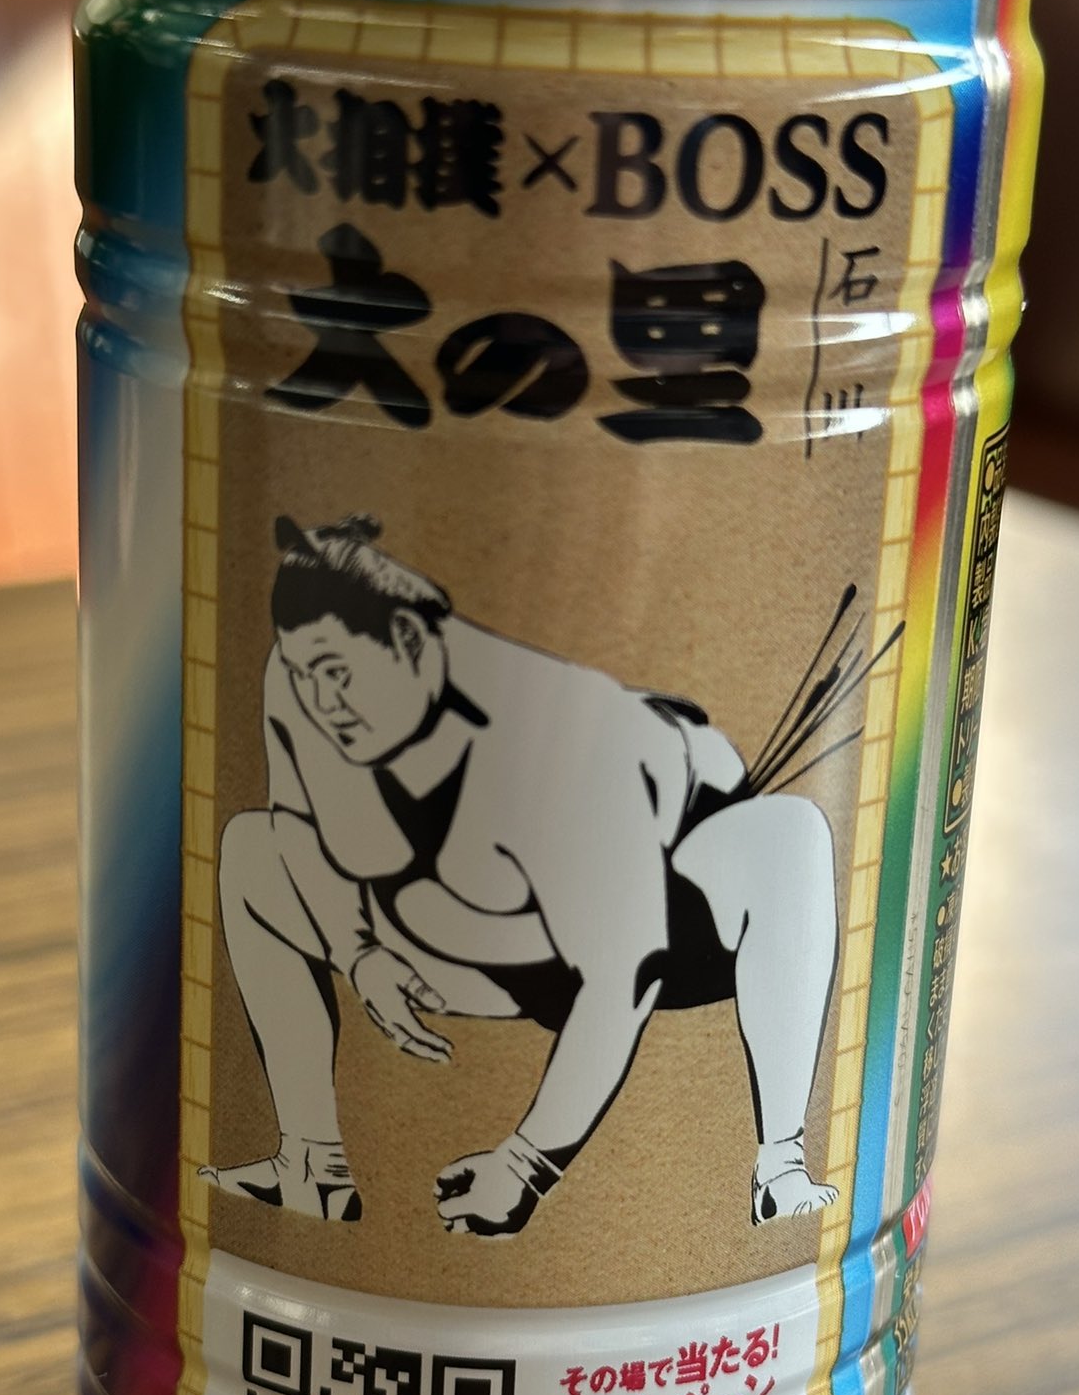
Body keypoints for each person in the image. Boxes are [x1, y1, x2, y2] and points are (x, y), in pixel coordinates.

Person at [201, 514, 841, 1237]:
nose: (322, 701)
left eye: (336, 675)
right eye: (304, 675)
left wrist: (526, 1163)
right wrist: (359, 952)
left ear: (408, 639)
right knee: (251, 854)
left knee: (791, 835)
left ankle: (781, 1171)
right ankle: (312, 1167)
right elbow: (297, 825)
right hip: (476, 948)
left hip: (665, 926)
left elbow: (621, 979)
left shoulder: (571, 735)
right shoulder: (299, 680)